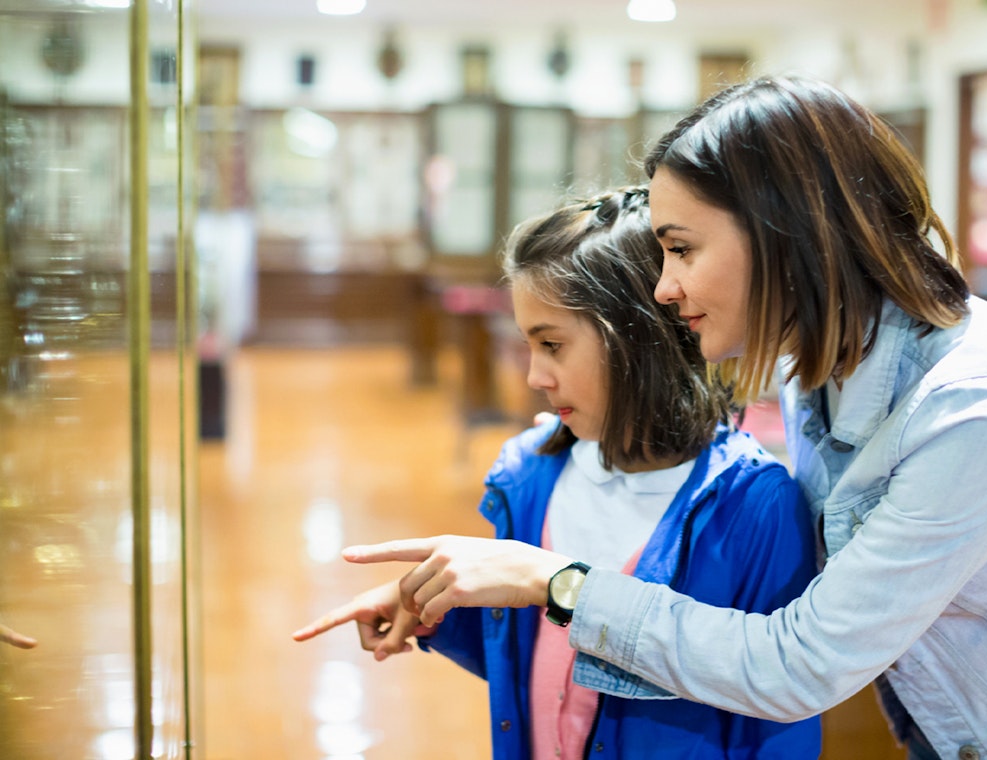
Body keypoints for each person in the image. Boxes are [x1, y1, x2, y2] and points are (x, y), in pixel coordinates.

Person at [336, 75, 987, 759]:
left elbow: (799, 664)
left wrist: (552, 580)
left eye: (681, 249)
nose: (664, 285)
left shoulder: (986, 407)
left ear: (788, 233)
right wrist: (445, 606)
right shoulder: (811, 372)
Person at [293, 187, 822, 759]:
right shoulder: (529, 473)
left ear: (639, 338)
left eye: (552, 345)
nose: (534, 377)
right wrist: (431, 610)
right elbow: (533, 653)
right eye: (528, 345)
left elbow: (778, 714)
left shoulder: (754, 503)